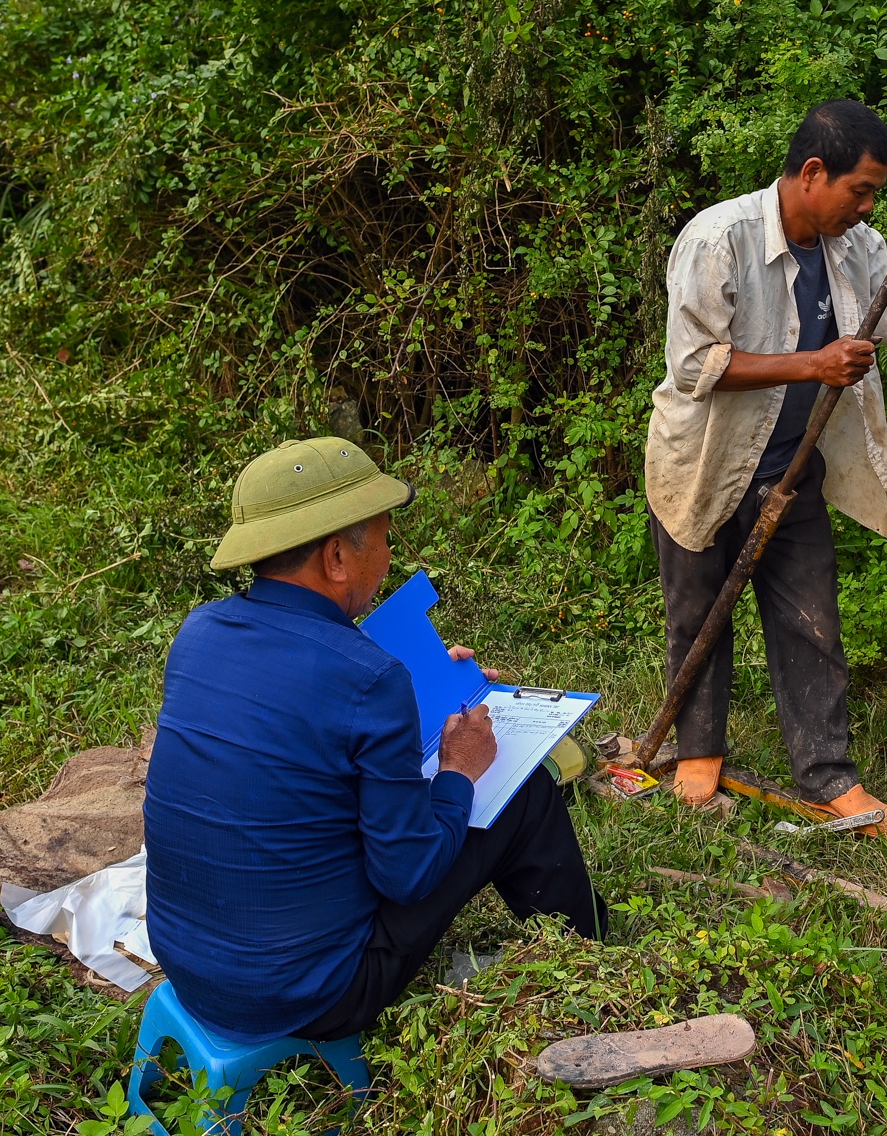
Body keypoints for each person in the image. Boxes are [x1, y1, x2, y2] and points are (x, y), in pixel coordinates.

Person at [146, 437, 604, 1044]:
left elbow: (304, 697)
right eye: (384, 537)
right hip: (311, 996)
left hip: (190, 967)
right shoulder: (367, 679)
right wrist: (459, 771)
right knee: (524, 794)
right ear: (337, 557)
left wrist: (409, 677)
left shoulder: (198, 633)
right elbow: (408, 875)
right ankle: (592, 963)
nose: (388, 558)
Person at [645, 99, 887, 832]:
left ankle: (829, 774)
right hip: (705, 464)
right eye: (859, 190)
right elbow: (696, 363)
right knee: (697, 609)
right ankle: (698, 747)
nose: (867, 208)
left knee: (812, 620)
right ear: (811, 173)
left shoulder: (854, 245)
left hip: (795, 469)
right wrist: (814, 364)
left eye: (875, 194)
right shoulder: (719, 239)